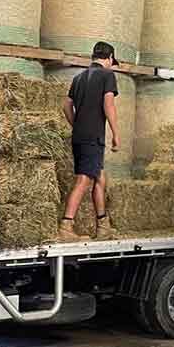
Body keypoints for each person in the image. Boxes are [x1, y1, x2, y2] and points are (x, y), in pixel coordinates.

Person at [57, 41, 121, 243]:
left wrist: (76, 124)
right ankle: (66, 225)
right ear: (109, 57)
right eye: (112, 61)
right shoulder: (107, 75)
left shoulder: (78, 77)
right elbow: (108, 104)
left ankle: (103, 226)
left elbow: (66, 105)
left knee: (99, 177)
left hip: (79, 136)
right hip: (93, 136)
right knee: (84, 179)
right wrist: (115, 133)